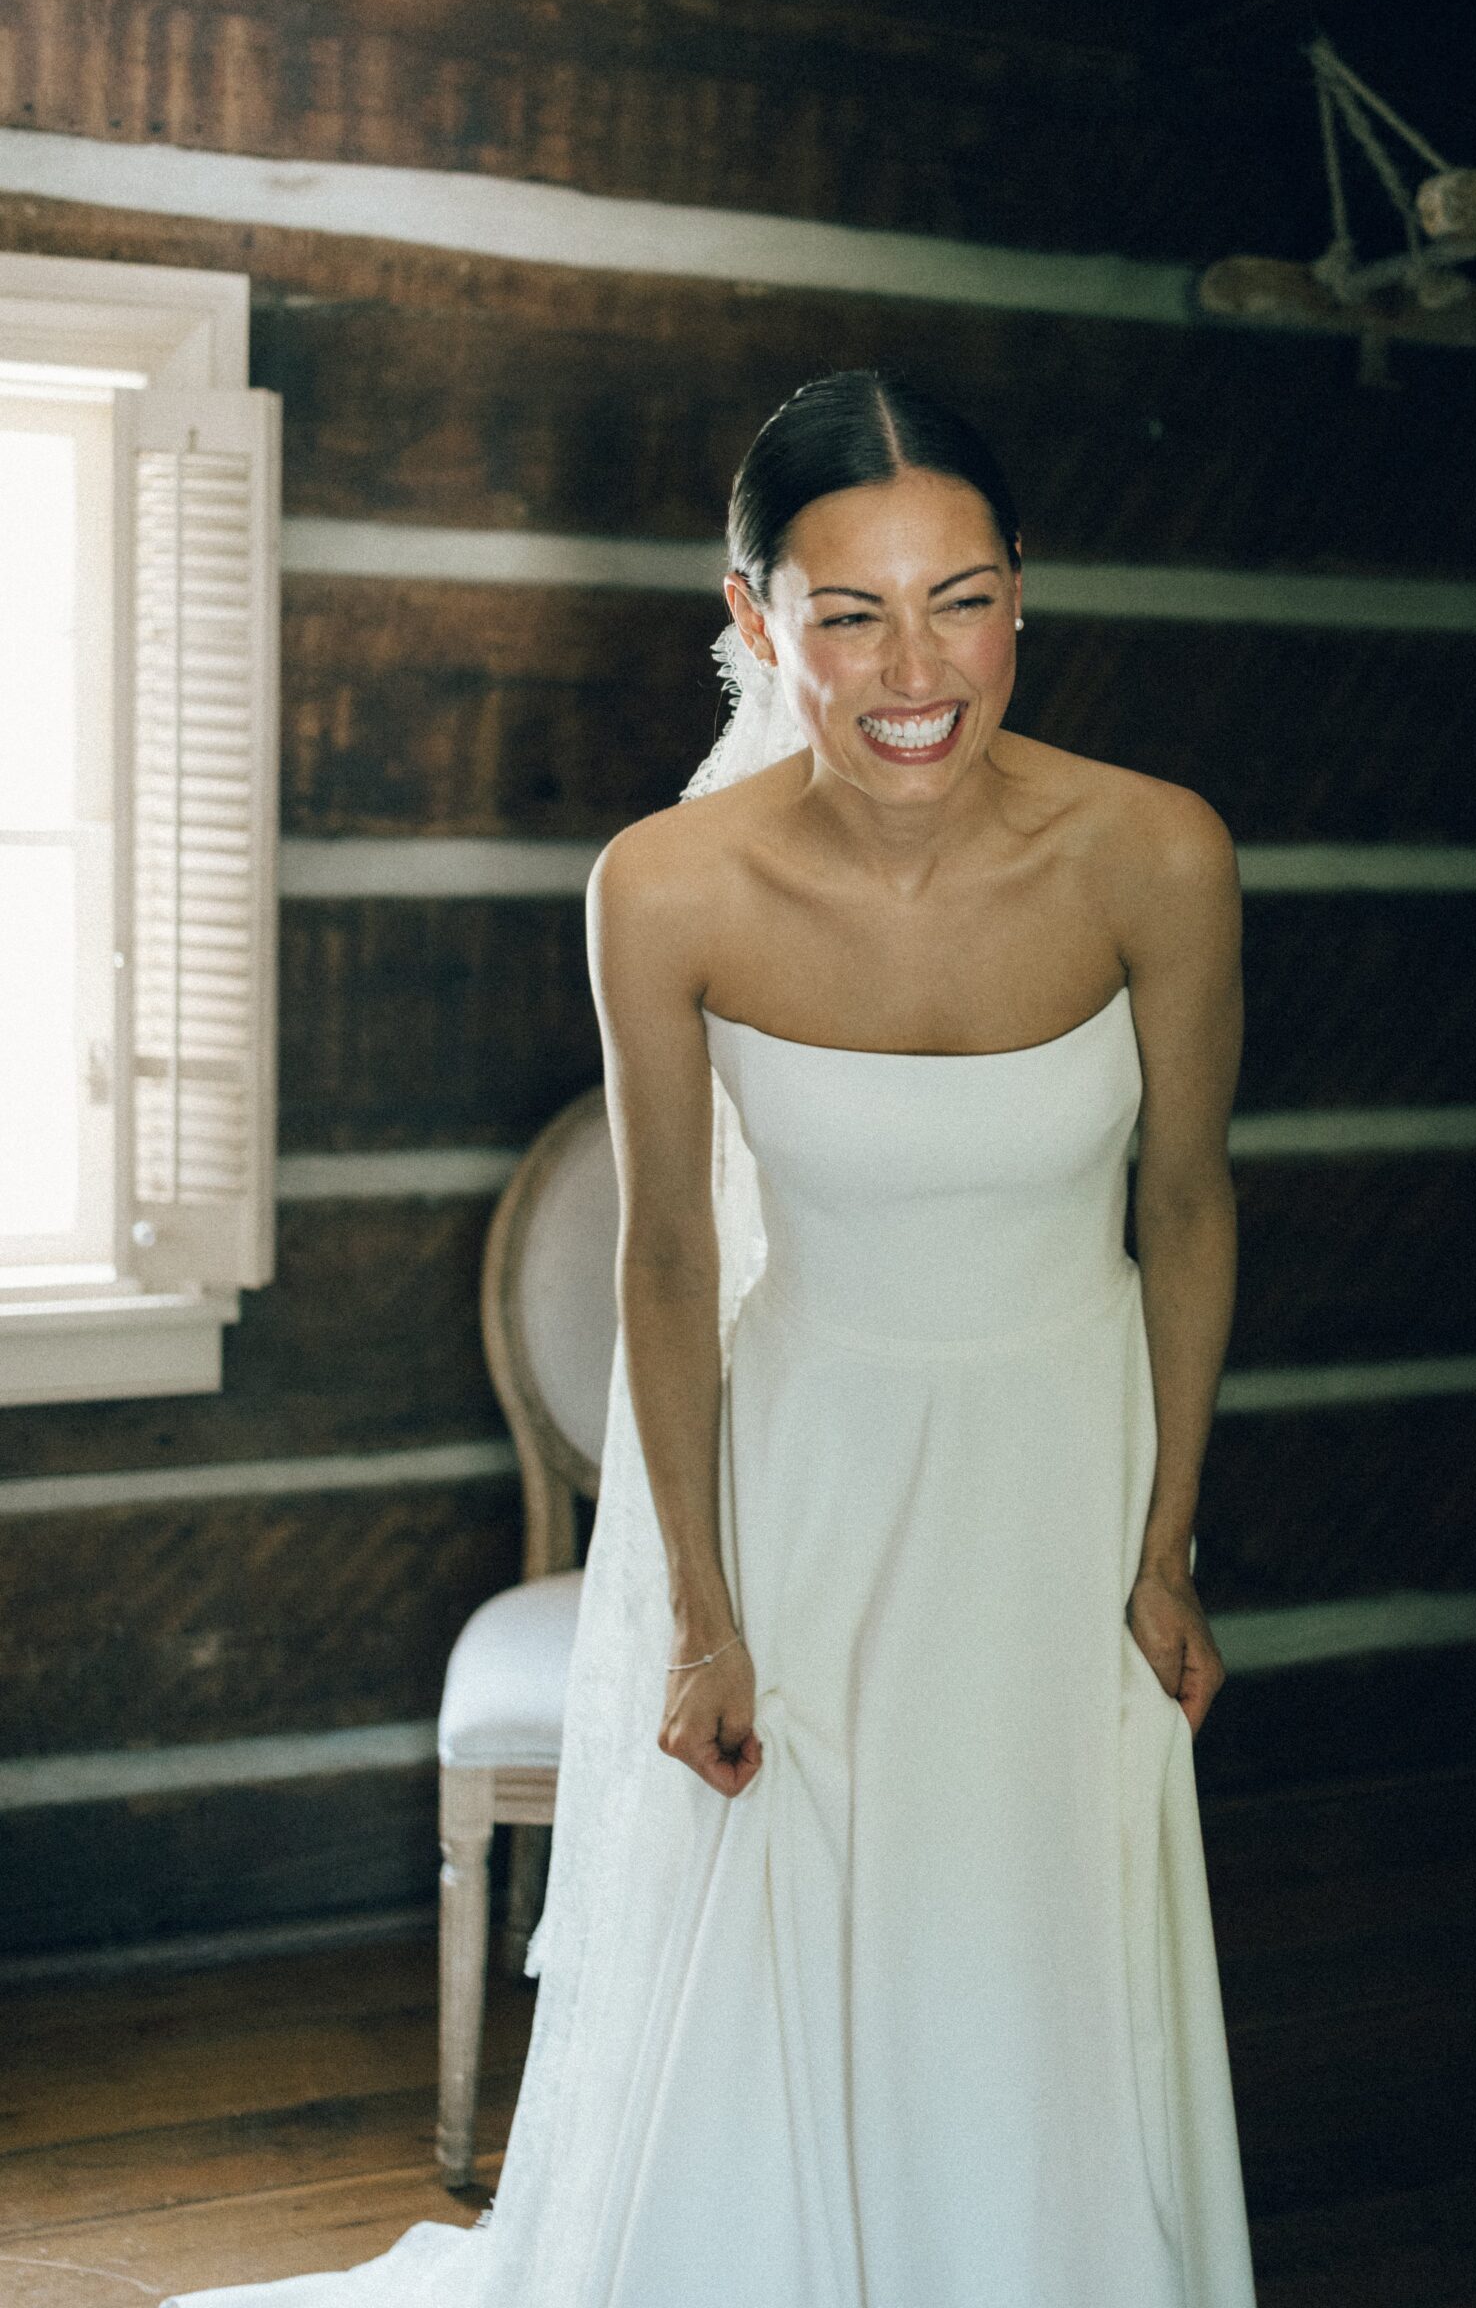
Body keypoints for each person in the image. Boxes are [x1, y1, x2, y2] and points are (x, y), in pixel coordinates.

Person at [164, 370, 1256, 2308]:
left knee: (1034, 1928)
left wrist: (1163, 1541)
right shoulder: (665, 885)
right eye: (847, 610)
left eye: (962, 595)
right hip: (806, 1479)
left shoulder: (1155, 852)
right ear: (754, 618)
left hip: (1060, 1485)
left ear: (1024, 598)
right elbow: (665, 1256)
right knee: (801, 1921)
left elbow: (1181, 1200)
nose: (914, 665)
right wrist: (698, 1606)